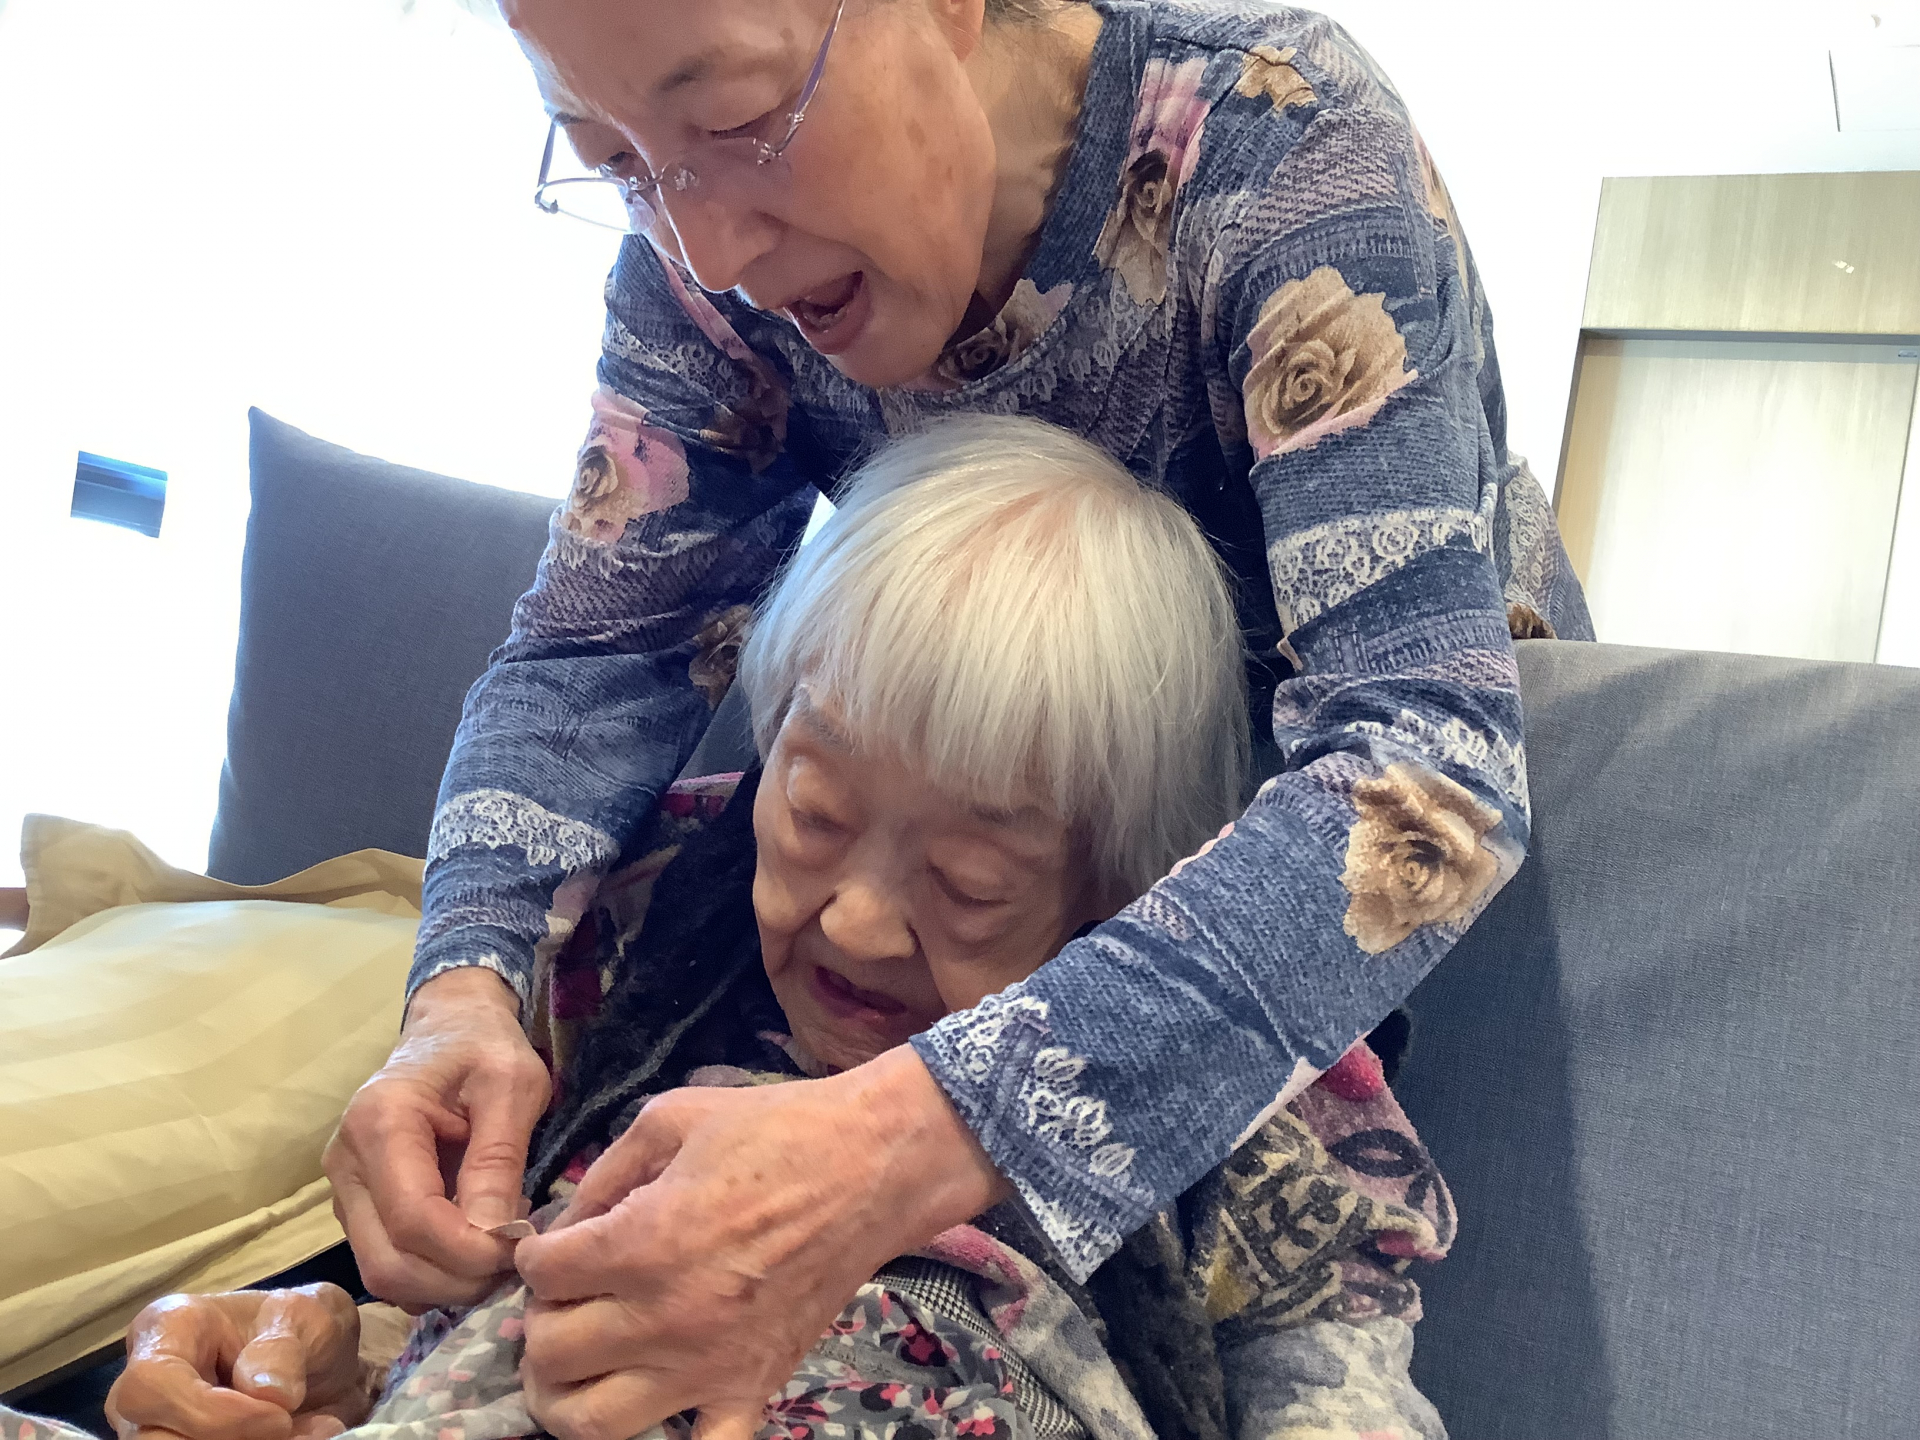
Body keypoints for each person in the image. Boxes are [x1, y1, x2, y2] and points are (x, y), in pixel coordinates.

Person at [324, 1, 1593, 1437]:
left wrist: (897, 1148)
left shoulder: (1281, 149)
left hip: (1323, 887)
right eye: (615, 161)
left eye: (735, 118)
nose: (706, 254)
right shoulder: (696, 262)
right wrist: (461, 999)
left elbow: (1423, 781)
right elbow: (593, 650)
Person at [89, 418, 1455, 1440]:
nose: (856, 919)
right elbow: (502, 1309)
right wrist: (339, 1348)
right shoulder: (632, 947)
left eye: (971, 882)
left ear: (1124, 895)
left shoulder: (1238, 1094)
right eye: (812, 812)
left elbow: (1340, 1397)